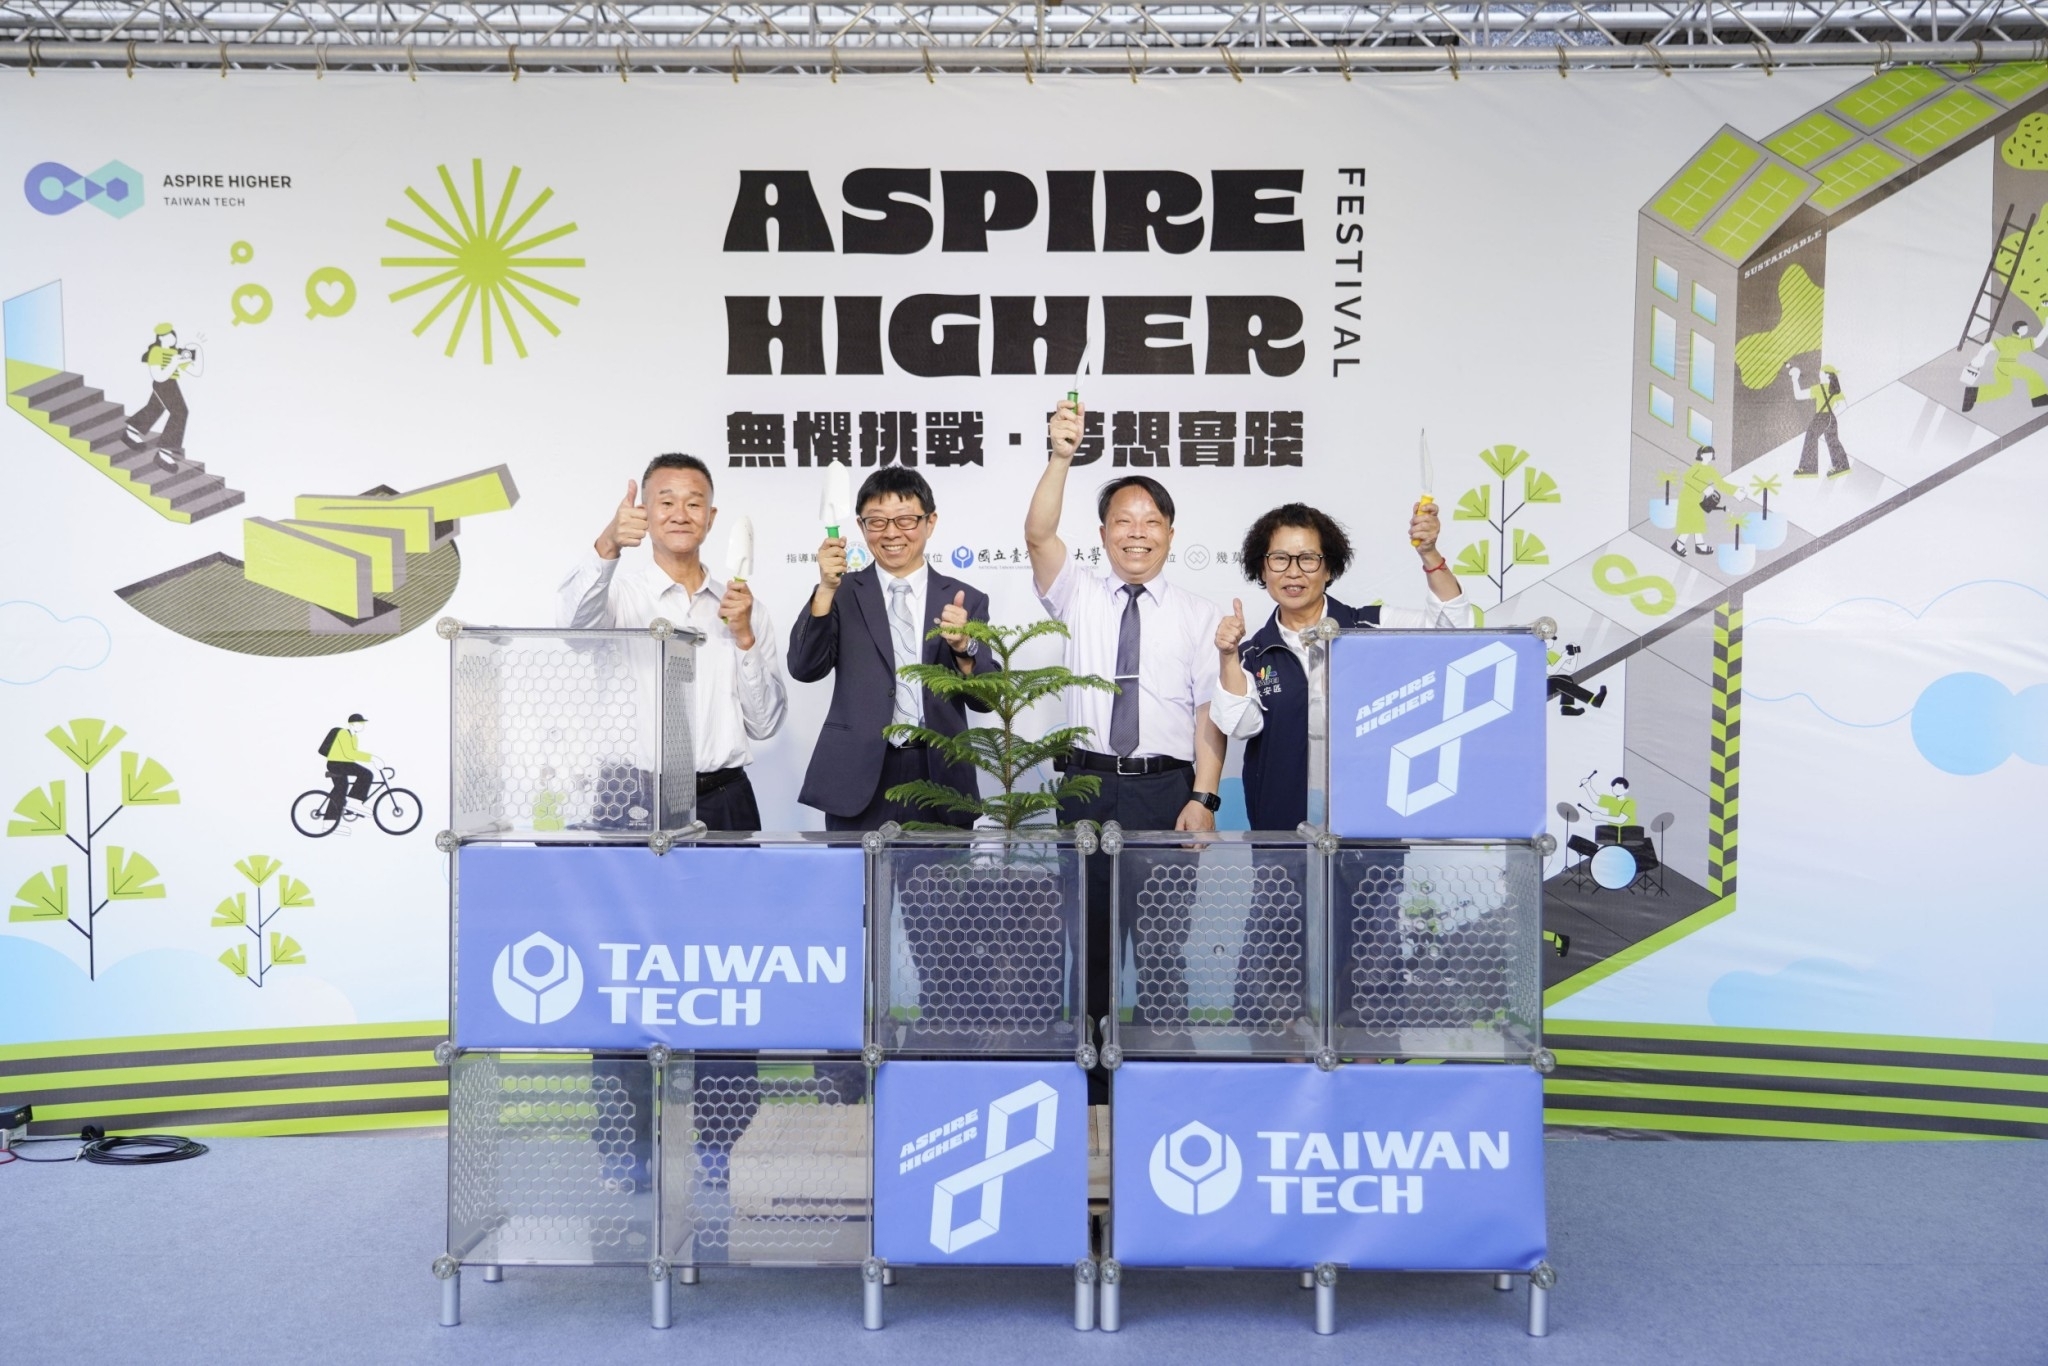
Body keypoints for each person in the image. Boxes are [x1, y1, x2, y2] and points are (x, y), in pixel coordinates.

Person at [1029, 398, 1224, 1055]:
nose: (1135, 533)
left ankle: (1167, 1073)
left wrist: (1203, 797)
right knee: (1088, 943)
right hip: (1085, 787)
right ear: (1104, 531)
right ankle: (1091, 1085)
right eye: (1122, 521)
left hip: (1164, 794)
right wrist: (1061, 457)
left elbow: (1208, 715)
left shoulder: (1198, 614)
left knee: (1166, 945)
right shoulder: (1076, 592)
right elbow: (1037, 535)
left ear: (1170, 532)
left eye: (1150, 521)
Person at [1210, 501, 1476, 832]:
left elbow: (1454, 631)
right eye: (1279, 559)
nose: (1293, 572)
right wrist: (1228, 655)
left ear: (1329, 569)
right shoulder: (1253, 654)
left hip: (1370, 825)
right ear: (1262, 570)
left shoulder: (1371, 626)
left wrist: (1431, 555)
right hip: (1281, 829)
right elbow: (1241, 726)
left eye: (1307, 559)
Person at [558, 453, 786, 832]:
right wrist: (608, 544)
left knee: (733, 894)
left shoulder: (746, 608)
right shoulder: (618, 598)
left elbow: (764, 725)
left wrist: (745, 637)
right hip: (630, 793)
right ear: (644, 512)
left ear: (710, 518)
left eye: (694, 503)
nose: (680, 514)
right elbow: (572, 629)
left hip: (724, 797)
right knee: (628, 895)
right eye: (666, 502)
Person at [788, 468, 993, 830]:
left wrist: (964, 646)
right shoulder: (841, 593)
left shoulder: (965, 600)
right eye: (877, 522)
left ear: (930, 522)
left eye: (906, 520)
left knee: (938, 887)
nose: (892, 533)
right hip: (857, 776)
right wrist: (823, 590)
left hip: (940, 777)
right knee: (855, 886)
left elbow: (986, 699)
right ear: (861, 526)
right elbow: (805, 668)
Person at [127, 322, 203, 472]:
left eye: (172, 334)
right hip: (163, 384)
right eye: (168, 335)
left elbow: (197, 372)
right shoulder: (156, 351)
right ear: (160, 338)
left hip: (170, 383)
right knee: (180, 412)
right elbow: (158, 376)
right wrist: (174, 363)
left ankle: (131, 430)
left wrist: (195, 352)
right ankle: (164, 453)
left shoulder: (175, 353)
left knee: (155, 408)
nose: (172, 337)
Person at [1962, 316, 2048, 413]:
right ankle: (2040, 399)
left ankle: (1972, 395)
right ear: (2018, 329)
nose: (2027, 330)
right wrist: (1980, 358)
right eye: (2025, 328)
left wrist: (1981, 357)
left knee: (2004, 389)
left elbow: (1988, 346)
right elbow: (2037, 342)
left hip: (2001, 367)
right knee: (2031, 374)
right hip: (2007, 365)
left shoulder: (2013, 340)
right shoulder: (2013, 341)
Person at [1672, 444, 1742, 557]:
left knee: (1697, 522)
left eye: (1710, 454)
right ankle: (1683, 544)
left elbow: (1720, 484)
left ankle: (1694, 545)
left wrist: (1735, 491)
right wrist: (1704, 487)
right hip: (1688, 498)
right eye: (1706, 454)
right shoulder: (1697, 467)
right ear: (1701, 455)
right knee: (1691, 522)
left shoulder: (1710, 470)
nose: (1708, 456)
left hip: (1698, 499)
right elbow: (1687, 478)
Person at [1787, 362, 1852, 478]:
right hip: (1831, 418)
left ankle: (1808, 468)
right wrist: (1830, 414)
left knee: (1810, 438)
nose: (1819, 375)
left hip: (1820, 417)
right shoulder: (1836, 390)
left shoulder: (1818, 388)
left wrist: (1795, 379)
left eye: (1821, 374)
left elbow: (1799, 395)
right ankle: (1842, 466)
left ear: (1827, 376)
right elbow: (1843, 406)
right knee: (1833, 441)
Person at [318, 713, 374, 821]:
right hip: (336, 763)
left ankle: (330, 821)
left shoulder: (354, 737)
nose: (362, 725)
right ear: (352, 724)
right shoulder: (343, 733)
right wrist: (372, 758)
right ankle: (354, 803)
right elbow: (349, 753)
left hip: (345, 763)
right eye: (359, 723)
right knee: (367, 774)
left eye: (362, 723)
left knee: (341, 789)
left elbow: (352, 755)